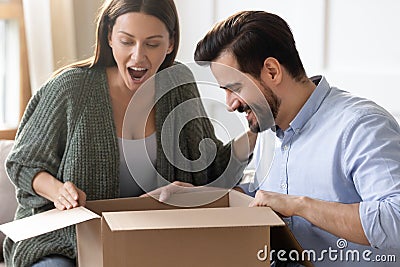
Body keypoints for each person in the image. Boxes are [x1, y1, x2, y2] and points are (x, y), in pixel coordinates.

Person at [3, 1, 256, 266]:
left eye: (152, 43)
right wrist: (59, 191)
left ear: (170, 43)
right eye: (127, 41)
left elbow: (213, 166)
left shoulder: (178, 86)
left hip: (148, 242)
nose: (138, 56)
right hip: (64, 243)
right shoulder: (70, 89)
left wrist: (256, 129)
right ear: (110, 36)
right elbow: (23, 163)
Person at [194, 10, 400, 266]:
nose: (229, 104)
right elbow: (268, 196)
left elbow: (396, 220)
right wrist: (201, 198)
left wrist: (299, 205)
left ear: (271, 71)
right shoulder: (269, 129)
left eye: (235, 88)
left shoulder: (361, 125)